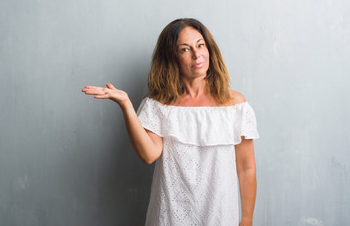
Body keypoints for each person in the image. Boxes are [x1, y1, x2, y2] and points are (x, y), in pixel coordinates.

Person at [82, 18, 259, 226]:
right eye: (185, 49)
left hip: (220, 216)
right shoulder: (158, 105)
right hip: (171, 217)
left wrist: (246, 219)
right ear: (172, 58)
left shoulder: (234, 104)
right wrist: (126, 105)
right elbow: (149, 155)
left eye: (200, 45)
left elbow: (246, 167)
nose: (197, 54)